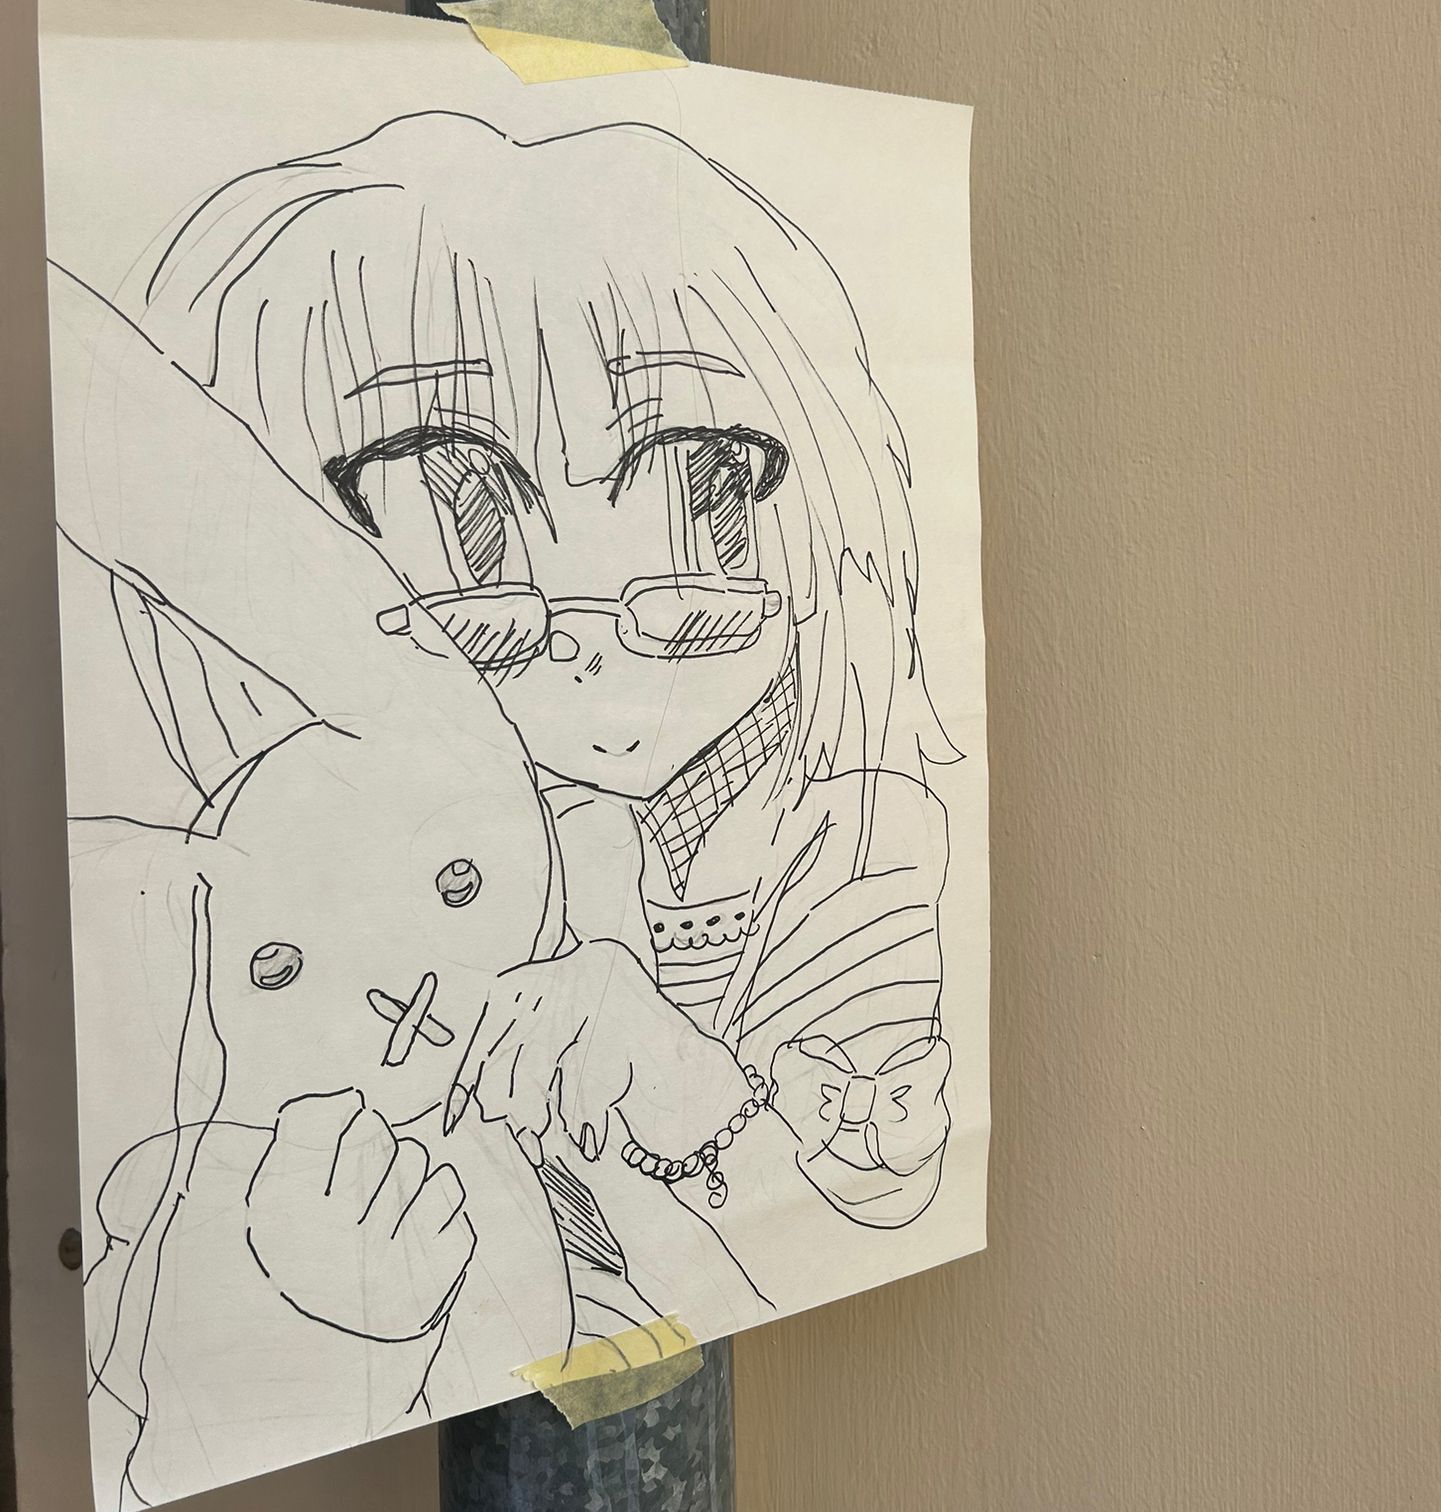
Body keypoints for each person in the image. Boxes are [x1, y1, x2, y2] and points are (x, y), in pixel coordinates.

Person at [136, 106, 959, 1249]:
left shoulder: (853, 840)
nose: (595, 628)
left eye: (704, 496)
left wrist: (677, 1084)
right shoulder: (319, 864)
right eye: (470, 526)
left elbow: (864, 1222)